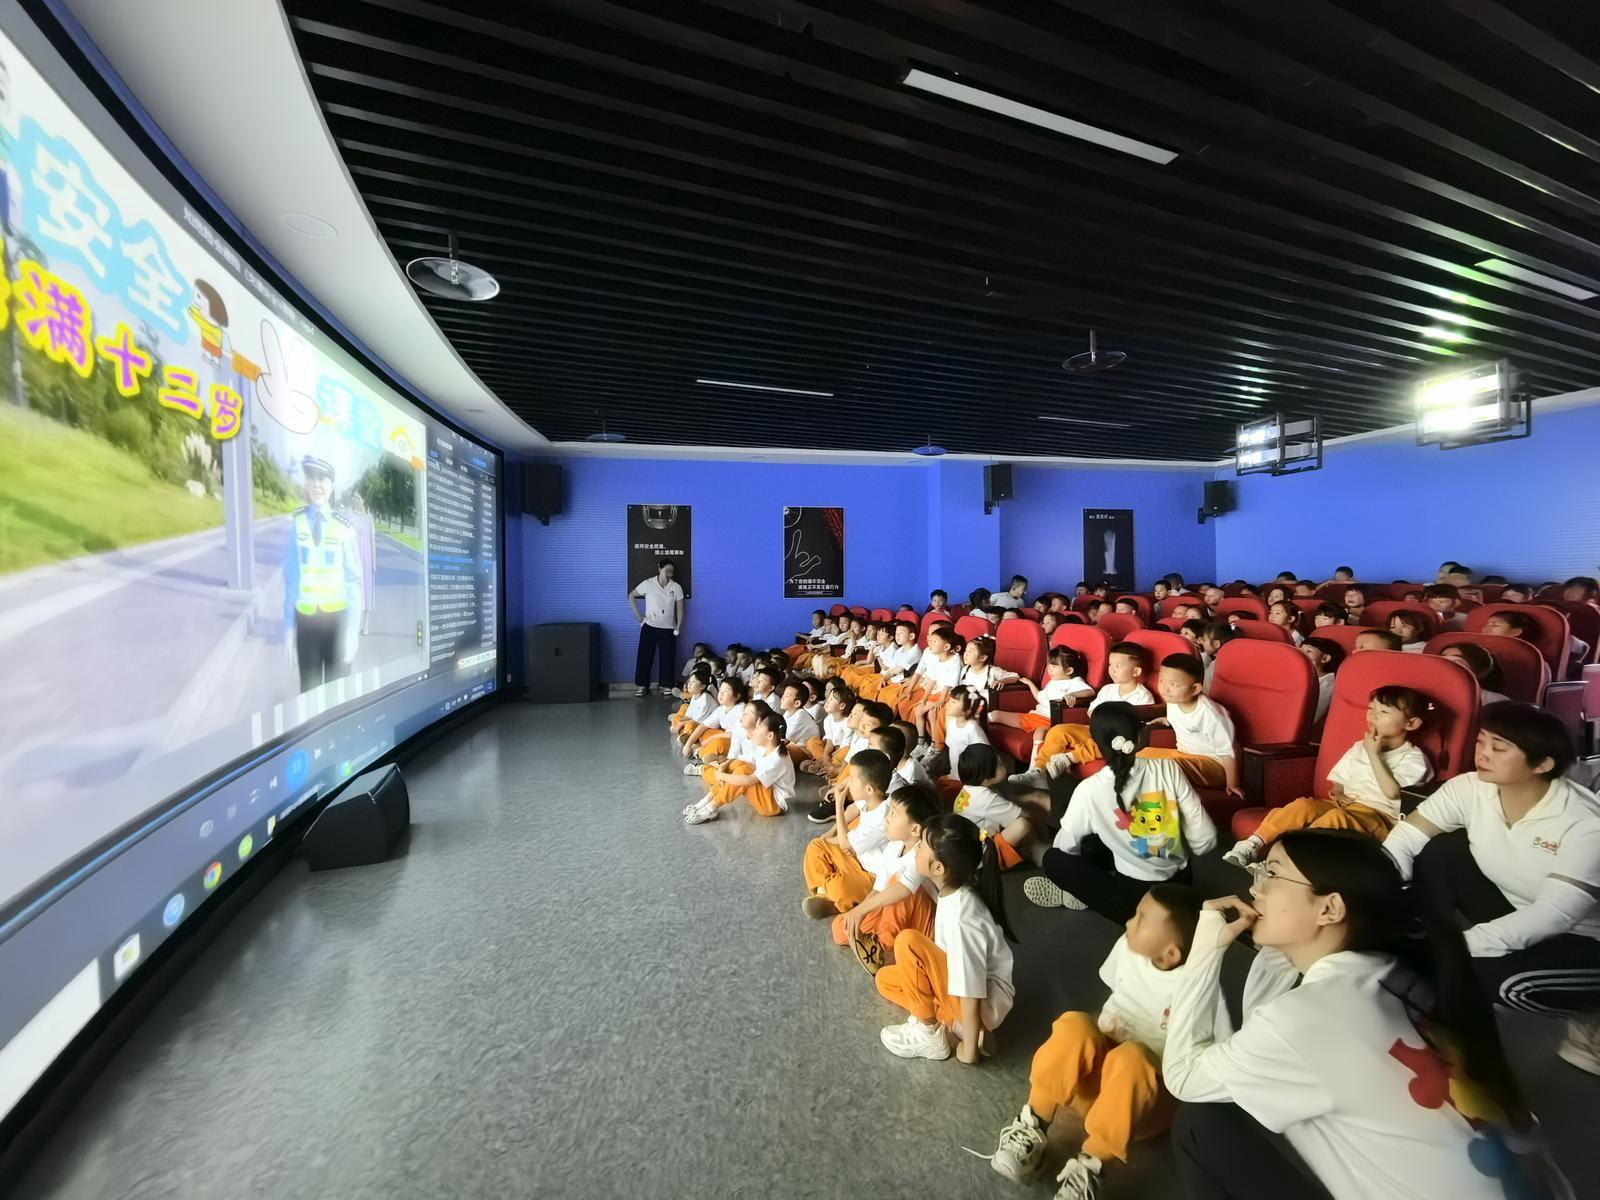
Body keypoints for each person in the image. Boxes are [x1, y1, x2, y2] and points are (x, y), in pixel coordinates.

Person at [1164, 831, 1556, 1200]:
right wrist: (1279, 946)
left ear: (1330, 908)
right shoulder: (1405, 972)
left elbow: (1183, 1076)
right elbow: (1263, 1031)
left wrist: (1205, 948)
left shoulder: (1308, 1016)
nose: (1255, 888)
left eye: (1272, 874)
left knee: (1200, 1125)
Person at [1383, 703, 1600, 1072]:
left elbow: (1553, 915)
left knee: (1501, 982)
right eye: (1481, 741)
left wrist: (1456, 947)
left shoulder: (1584, 824)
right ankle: (1429, 954)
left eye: (1499, 747)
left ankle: (1590, 1013)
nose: (1482, 753)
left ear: (1542, 764)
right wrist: (1372, 893)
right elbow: (1406, 837)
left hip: (1583, 937)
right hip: (1518, 907)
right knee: (1439, 850)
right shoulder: (1470, 788)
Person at [985, 885, 1214, 1197]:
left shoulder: (1200, 993)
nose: (1130, 922)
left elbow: (1199, 1066)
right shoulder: (1127, 946)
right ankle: (1032, 1122)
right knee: (1076, 1024)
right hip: (1093, 1087)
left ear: (1171, 953)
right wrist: (1082, 1048)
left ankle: (1091, 1166)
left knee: (1133, 1057)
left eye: (1141, 920)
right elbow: (1109, 1004)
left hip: (1135, 1108)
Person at [1025, 703, 1216, 921]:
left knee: (1054, 858)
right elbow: (1205, 839)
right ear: (1140, 736)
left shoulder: (1090, 790)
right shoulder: (1168, 767)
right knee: (1095, 842)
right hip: (1182, 885)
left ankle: (1078, 892)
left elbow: (1065, 848)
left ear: (1096, 744)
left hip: (1137, 905)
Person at [1224, 687, 1432, 866]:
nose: (1373, 716)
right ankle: (1253, 844)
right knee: (1303, 806)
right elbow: (1340, 776)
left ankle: (1287, 862)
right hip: (1348, 806)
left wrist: (1373, 754)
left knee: (1336, 819)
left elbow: (1393, 793)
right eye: (1371, 709)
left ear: (1411, 723)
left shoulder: (1413, 758)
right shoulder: (1360, 747)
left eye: (1384, 711)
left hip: (1381, 817)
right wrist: (1339, 791)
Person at [875, 813, 1015, 1063]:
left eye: (921, 846)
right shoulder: (952, 891)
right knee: (885, 980)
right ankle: (956, 1024)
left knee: (907, 942)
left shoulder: (962, 917)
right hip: (962, 990)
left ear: (938, 868)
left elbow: (971, 987)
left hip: (983, 1001)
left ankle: (930, 1031)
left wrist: (968, 1053)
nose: (916, 849)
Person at [835, 786, 941, 972]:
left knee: (899, 885)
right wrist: (859, 913)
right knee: (841, 928)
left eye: (893, 814)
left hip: (922, 927)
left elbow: (904, 889)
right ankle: (875, 942)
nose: (886, 818)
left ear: (915, 829)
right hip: (893, 916)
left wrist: (862, 911)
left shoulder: (922, 854)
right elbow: (878, 889)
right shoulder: (893, 847)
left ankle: (883, 951)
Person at [283, 455, 364, 693]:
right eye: (312, 478)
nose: (317, 485)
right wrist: (289, 627)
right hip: (306, 623)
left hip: (337, 624)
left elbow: (354, 582)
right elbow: (291, 578)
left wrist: (352, 633)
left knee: (337, 695)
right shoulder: (297, 522)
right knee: (309, 694)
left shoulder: (344, 527)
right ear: (306, 483)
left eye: (323, 479)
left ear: (332, 486)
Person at [801, 749, 896, 919]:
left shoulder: (883, 816)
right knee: (816, 846)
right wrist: (829, 834)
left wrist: (839, 803)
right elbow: (852, 809)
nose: (848, 782)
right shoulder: (871, 799)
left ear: (868, 789)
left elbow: (846, 844)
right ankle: (826, 893)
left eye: (852, 779)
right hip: (855, 858)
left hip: (871, 876)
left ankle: (833, 899)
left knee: (840, 887)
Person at [683, 708, 794, 825]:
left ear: (770, 735)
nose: (754, 731)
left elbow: (749, 780)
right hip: (767, 792)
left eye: (757, 728)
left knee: (743, 772)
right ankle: (706, 800)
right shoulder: (765, 748)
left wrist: (722, 776)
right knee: (737, 764)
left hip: (773, 805)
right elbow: (743, 759)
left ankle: (710, 808)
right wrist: (724, 766)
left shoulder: (777, 758)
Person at [987, 646, 1093, 769]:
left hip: (1050, 720)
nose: (1050, 669)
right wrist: (1030, 684)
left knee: (1039, 733)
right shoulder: (1052, 682)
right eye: (1049, 665)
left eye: (1054, 666)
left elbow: (1089, 691)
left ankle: (1034, 768)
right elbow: (1040, 697)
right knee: (995, 714)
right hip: (1034, 716)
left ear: (1069, 670)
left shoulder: (1075, 681)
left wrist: (1073, 695)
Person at [629, 557, 684, 697]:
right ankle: (642, 686)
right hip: (649, 626)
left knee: (668, 658)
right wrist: (639, 618)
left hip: (669, 629)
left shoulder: (676, 587)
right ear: (659, 569)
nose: (670, 571)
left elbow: (680, 608)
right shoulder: (648, 584)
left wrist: (678, 625)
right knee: (644, 657)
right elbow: (632, 595)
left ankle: (666, 685)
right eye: (667, 569)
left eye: (671, 569)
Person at [1439, 642, 1510, 706]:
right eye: (1442, 658)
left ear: (1478, 671)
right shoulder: (1435, 695)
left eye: (1457, 661)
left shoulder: (1496, 701)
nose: (1446, 664)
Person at [1301, 637, 1343, 724]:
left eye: (1309, 651)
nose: (1301, 655)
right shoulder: (1301, 675)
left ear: (1325, 658)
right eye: (1300, 651)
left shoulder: (1328, 684)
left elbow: (1311, 716)